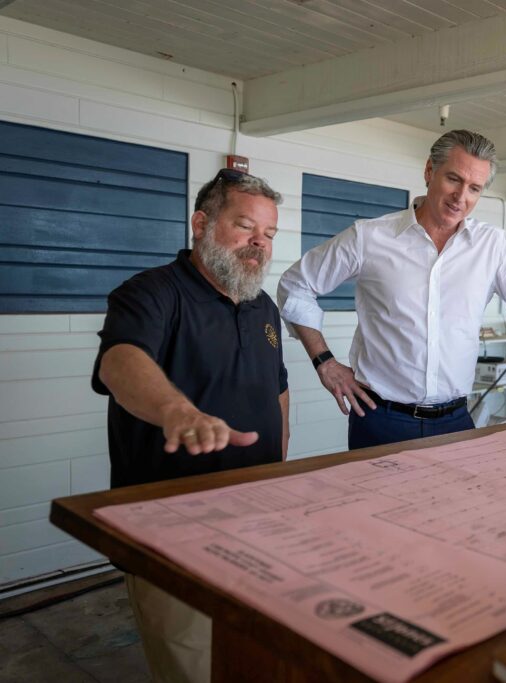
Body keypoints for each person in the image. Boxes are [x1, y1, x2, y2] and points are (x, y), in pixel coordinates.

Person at [278, 129, 506, 449]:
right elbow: (295, 286)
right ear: (429, 171)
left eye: (474, 188)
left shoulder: (493, 246)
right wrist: (325, 363)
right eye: (453, 179)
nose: (460, 197)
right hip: (380, 420)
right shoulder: (369, 237)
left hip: (455, 422)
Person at [91, 168, 288, 683]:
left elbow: (277, 389)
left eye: (268, 233)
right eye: (245, 226)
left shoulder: (263, 306)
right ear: (201, 224)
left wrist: (280, 463)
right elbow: (120, 361)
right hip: (172, 525)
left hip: (256, 515)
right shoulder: (151, 293)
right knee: (192, 661)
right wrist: (177, 410)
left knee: (254, 650)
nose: (259, 243)